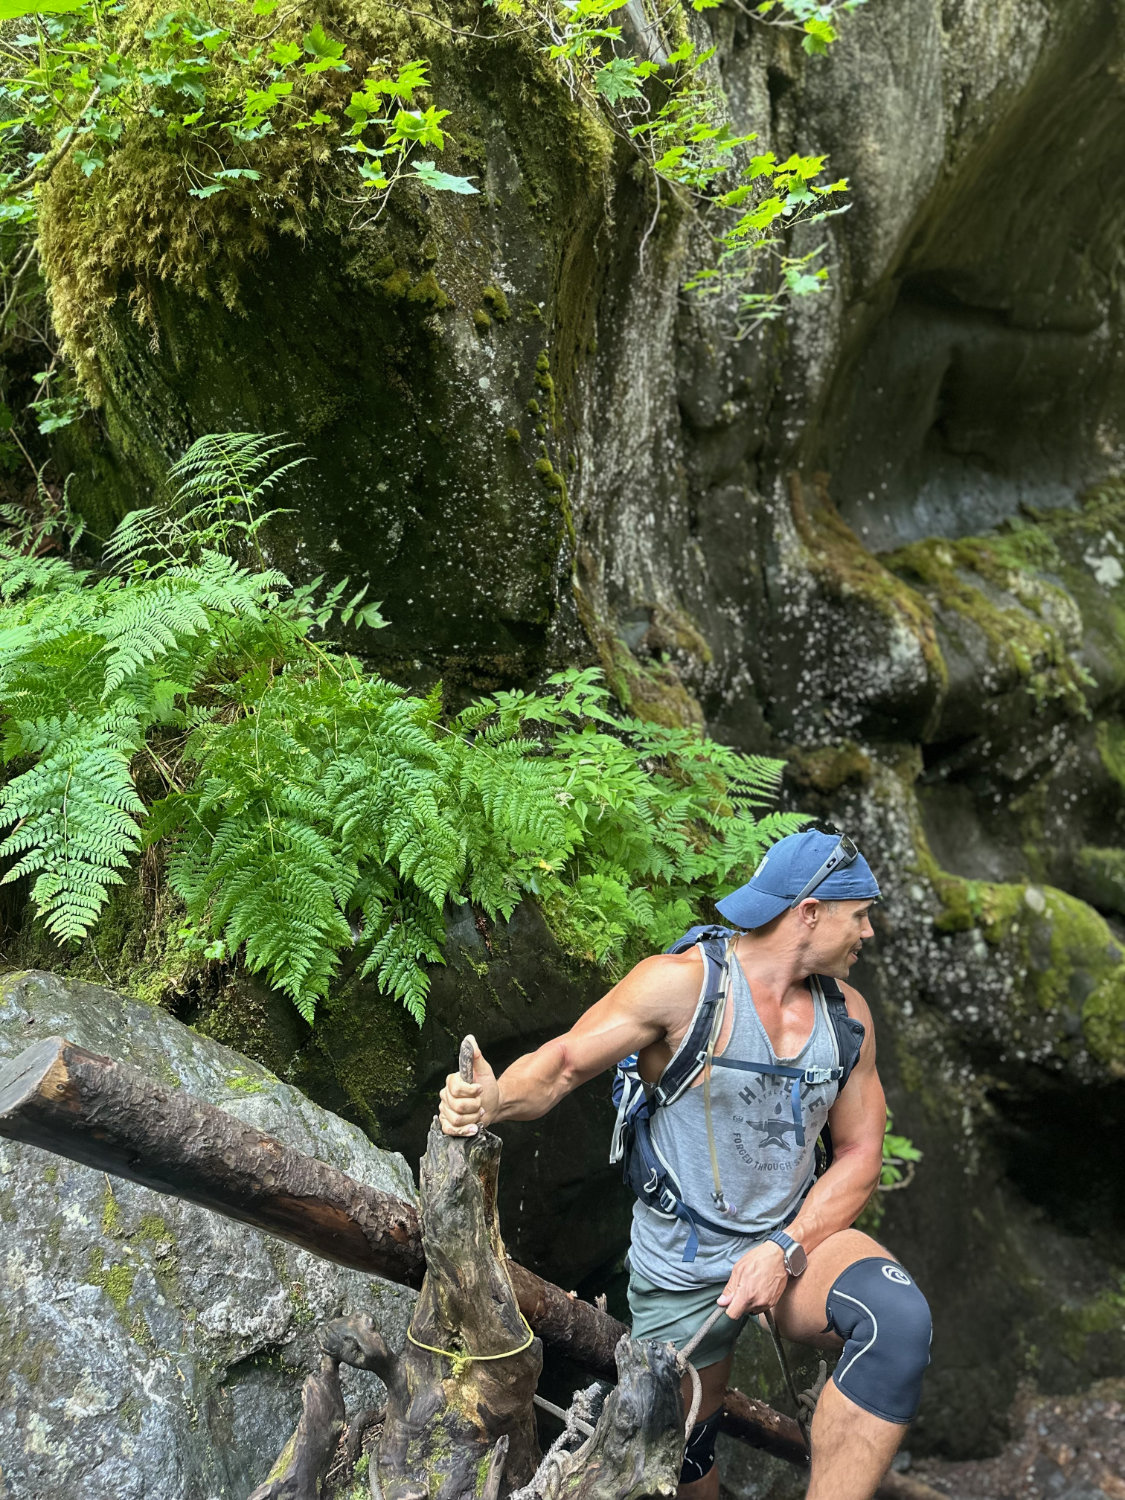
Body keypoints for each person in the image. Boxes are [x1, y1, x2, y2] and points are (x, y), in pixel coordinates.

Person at [438, 829, 931, 1500]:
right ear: (809, 912)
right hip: (684, 1268)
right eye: (860, 914)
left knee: (895, 1323)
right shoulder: (681, 989)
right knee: (674, 1459)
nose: (868, 933)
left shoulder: (847, 1019)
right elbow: (560, 1066)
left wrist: (782, 1248)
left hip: (797, 1247)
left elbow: (859, 1155)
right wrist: (491, 1100)